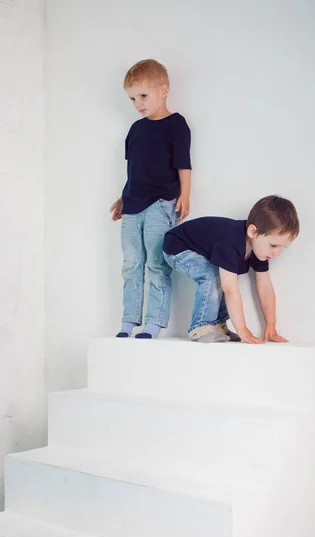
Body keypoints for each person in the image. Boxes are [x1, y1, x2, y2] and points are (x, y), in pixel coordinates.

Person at [110, 59, 192, 339]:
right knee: (131, 264)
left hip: (160, 204)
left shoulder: (176, 125)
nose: (138, 103)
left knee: (156, 263)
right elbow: (134, 169)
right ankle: (128, 321)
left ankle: (154, 322)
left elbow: (184, 164)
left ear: (164, 90)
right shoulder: (135, 129)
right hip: (132, 207)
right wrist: (122, 198)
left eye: (143, 96)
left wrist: (185, 195)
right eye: (133, 98)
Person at [163, 195, 299, 343]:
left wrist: (271, 325)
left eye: (282, 248)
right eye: (273, 245)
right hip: (177, 246)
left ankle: (218, 326)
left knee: (223, 277)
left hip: (197, 248)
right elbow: (230, 290)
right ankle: (201, 329)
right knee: (213, 276)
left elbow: (265, 288)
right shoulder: (231, 242)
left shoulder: (259, 250)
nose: (277, 254)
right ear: (253, 232)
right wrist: (242, 329)